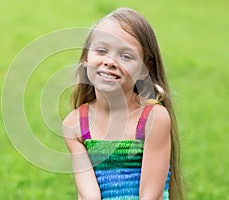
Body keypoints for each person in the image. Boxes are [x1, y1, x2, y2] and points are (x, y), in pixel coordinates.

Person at [62, 7, 183, 200]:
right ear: (86, 58)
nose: (110, 62)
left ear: (145, 69)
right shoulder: (75, 124)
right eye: (101, 51)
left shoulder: (153, 118)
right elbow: (88, 196)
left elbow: (151, 196)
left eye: (126, 56)